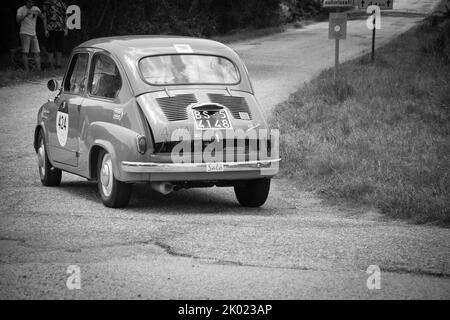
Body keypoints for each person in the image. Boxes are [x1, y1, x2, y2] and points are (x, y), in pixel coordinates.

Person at [16, 0, 48, 72]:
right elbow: (18, 20)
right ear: (26, 2)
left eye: (32, 2)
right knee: (25, 52)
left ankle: (39, 70)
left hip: (33, 33)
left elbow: (43, 18)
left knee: (37, 52)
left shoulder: (36, 8)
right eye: (29, 2)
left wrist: (42, 12)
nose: (31, 4)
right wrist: (26, 14)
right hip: (24, 32)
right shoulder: (21, 9)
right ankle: (27, 70)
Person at [43, 0, 68, 69]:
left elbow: (65, 16)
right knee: (50, 47)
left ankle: (58, 64)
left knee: (59, 47)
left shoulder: (62, 3)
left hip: (60, 28)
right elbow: (44, 17)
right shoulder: (47, 3)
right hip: (50, 28)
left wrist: (66, 28)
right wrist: (45, 29)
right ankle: (51, 65)